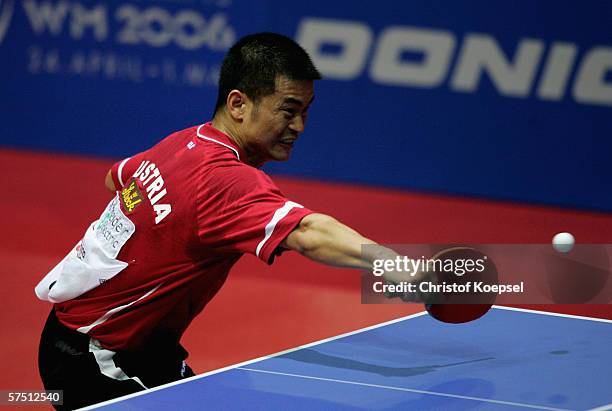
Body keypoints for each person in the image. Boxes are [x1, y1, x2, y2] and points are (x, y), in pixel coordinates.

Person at [35, 32, 419, 410]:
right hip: (98, 361)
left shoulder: (185, 142)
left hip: (115, 342)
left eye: (306, 111)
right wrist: (398, 266)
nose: (300, 126)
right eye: (288, 110)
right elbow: (306, 231)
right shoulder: (224, 181)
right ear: (238, 104)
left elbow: (116, 178)